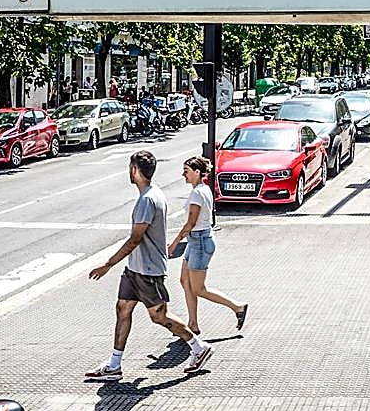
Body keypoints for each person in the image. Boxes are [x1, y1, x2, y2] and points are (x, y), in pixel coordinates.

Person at [86, 151, 214, 379]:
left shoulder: (147, 200)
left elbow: (135, 239)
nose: (129, 171)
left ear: (135, 170)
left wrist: (107, 264)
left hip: (147, 270)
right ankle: (114, 365)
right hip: (135, 269)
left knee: (159, 316)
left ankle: (199, 347)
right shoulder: (152, 194)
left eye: (130, 167)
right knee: (123, 308)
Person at [170, 156, 248, 334]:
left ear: (197, 172)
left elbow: (190, 223)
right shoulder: (202, 189)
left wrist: (174, 244)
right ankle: (193, 325)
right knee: (185, 281)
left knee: (198, 289)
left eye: (186, 171)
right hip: (196, 241)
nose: (183, 174)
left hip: (199, 242)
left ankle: (237, 307)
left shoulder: (198, 193)